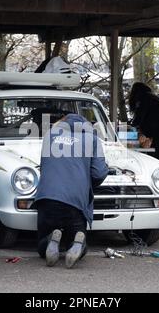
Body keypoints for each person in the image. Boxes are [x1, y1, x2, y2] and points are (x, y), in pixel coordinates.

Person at [34, 113, 109, 268]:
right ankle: (77, 243)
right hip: (75, 203)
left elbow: (44, 166)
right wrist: (84, 184)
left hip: (47, 198)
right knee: (75, 238)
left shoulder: (50, 135)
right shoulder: (92, 139)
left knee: (41, 244)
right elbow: (99, 173)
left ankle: (50, 240)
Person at [129, 82, 159, 165]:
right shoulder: (153, 99)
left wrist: (132, 128)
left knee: (153, 161)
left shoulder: (144, 100)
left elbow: (139, 119)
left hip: (155, 137)